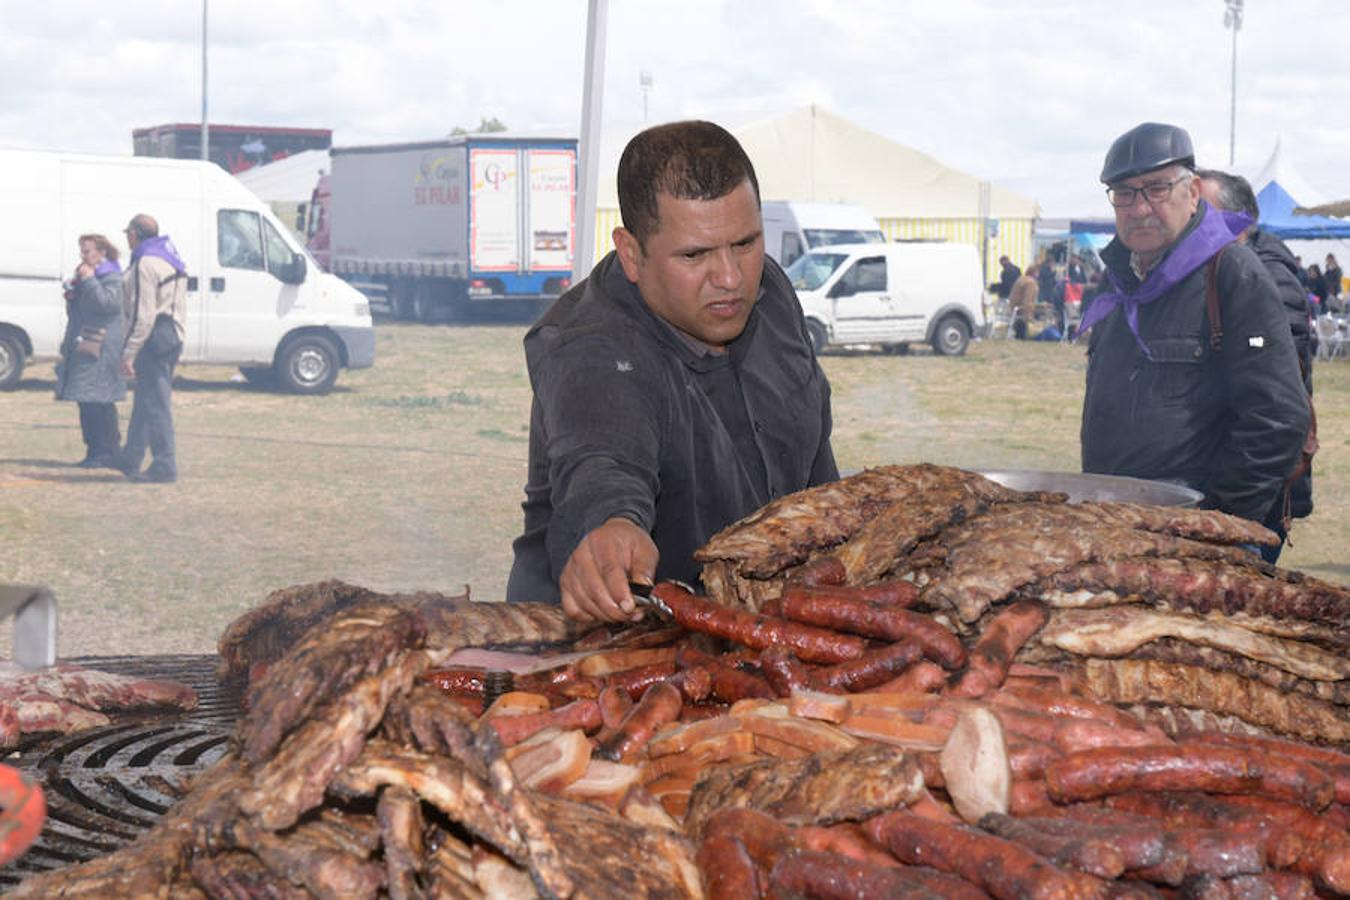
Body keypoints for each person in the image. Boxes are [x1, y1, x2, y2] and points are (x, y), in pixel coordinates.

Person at [506, 120, 838, 622]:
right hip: (610, 655)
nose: (730, 278)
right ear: (631, 254)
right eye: (695, 254)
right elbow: (601, 459)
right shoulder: (591, 346)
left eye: (745, 243)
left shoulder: (767, 291)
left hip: (764, 633)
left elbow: (818, 474)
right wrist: (611, 526)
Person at [1079, 122, 1309, 540]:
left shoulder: (1231, 273)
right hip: (1112, 523)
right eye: (1124, 193)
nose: (1140, 207)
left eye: (1157, 188)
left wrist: (1219, 522)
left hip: (1190, 532)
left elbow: (1277, 417)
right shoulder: (1115, 279)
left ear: (1194, 191)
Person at [1197, 168, 1315, 561]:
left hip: (1252, 497)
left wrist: (1229, 510)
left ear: (1238, 224)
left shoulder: (1265, 278)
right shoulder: (1212, 272)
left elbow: (1277, 409)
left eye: (1202, 213)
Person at [114, 214, 187, 484]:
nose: (127, 239)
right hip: (172, 333)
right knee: (146, 401)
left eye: (128, 233)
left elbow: (143, 315)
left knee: (156, 404)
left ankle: (165, 464)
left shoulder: (145, 263)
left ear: (135, 233)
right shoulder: (170, 257)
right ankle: (131, 456)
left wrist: (129, 351)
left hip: (154, 338)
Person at [55, 234, 127, 467]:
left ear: (102, 252)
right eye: (82, 251)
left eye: (87, 251)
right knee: (88, 399)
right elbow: (84, 308)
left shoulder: (112, 276)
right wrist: (73, 294)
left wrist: (89, 281)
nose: (83, 256)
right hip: (86, 345)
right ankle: (97, 450)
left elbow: (108, 304)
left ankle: (104, 451)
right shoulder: (92, 276)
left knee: (97, 400)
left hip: (101, 348)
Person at [1009, 265, 1039, 339]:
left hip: (1013, 307)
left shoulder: (1020, 279)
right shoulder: (1030, 283)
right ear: (1035, 273)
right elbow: (1028, 300)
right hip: (1022, 310)